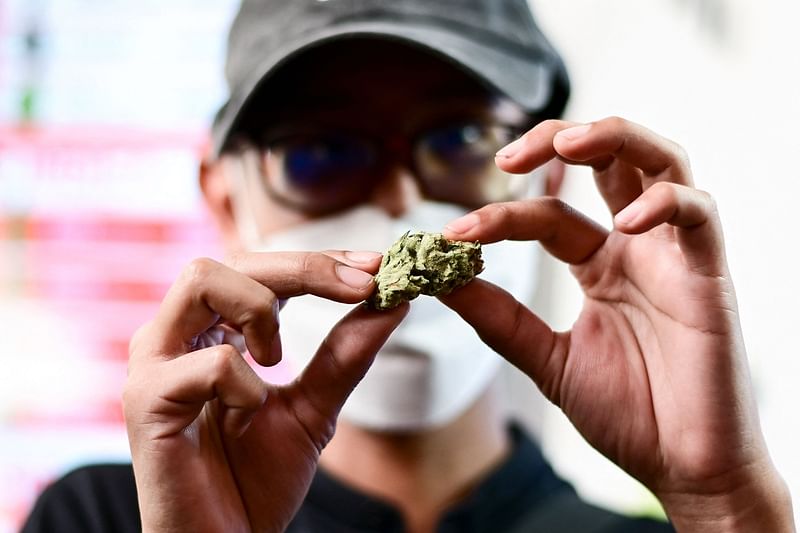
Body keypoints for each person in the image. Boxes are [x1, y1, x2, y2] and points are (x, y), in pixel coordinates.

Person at [22, 1, 795, 532]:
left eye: (461, 138)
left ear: (547, 178)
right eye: (321, 150)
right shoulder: (113, 517)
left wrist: (724, 502)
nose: (398, 204)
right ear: (224, 198)